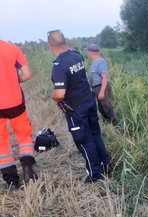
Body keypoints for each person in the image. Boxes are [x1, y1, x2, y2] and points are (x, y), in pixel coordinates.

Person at [47, 30, 111, 183]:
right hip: (89, 101)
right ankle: (106, 164)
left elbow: (60, 93)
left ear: (50, 46)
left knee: (83, 140)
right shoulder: (77, 55)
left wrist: (55, 99)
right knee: (95, 134)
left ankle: (95, 174)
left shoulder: (59, 66)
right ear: (65, 42)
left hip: (76, 108)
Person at [0, 39, 37, 190]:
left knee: (1, 143)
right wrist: (14, 82)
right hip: (15, 102)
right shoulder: (11, 48)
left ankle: (11, 182)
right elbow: (27, 74)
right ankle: (28, 172)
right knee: (24, 136)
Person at [85, 44, 118, 125]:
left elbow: (105, 78)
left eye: (87, 51)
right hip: (96, 88)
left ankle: (115, 125)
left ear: (91, 52)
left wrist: (102, 92)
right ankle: (108, 124)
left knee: (107, 107)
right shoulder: (94, 62)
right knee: (101, 108)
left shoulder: (101, 62)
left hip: (102, 87)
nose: (87, 53)